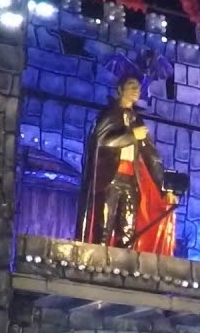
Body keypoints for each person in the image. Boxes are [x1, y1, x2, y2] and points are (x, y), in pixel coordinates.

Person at [75, 76, 176, 254]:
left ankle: (123, 263)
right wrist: (131, 136)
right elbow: (101, 140)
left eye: (138, 87)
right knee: (104, 225)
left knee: (128, 229)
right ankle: (98, 261)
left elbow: (151, 155)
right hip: (110, 178)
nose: (136, 90)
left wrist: (164, 187)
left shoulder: (137, 120)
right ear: (120, 89)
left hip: (131, 180)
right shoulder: (110, 114)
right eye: (131, 86)